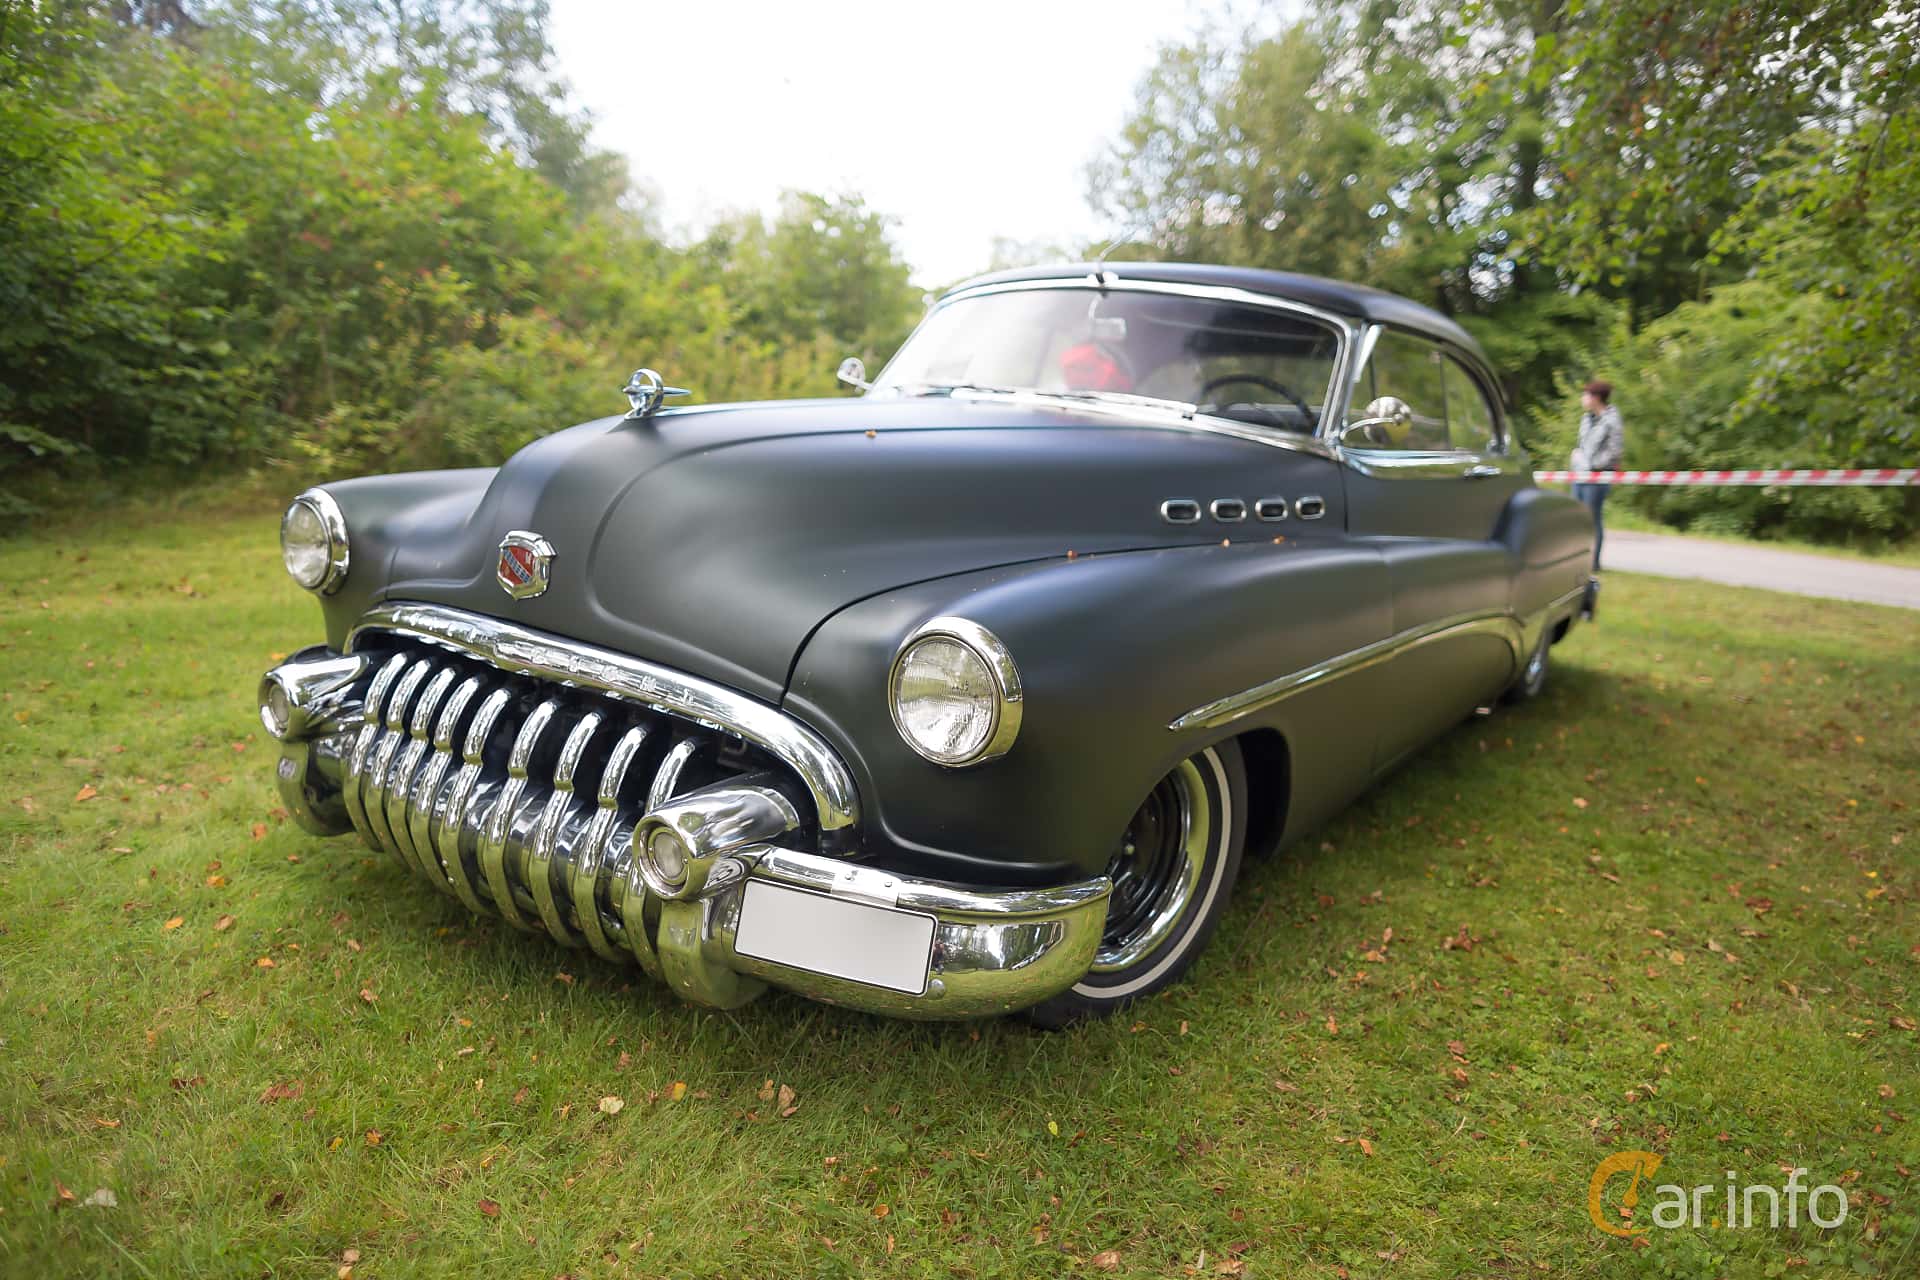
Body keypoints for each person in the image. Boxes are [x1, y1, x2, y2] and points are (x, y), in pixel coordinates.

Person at [1570, 379, 1623, 570]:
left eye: (1586, 394)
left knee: (1592, 518)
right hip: (1580, 474)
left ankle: (1593, 563)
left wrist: (1595, 465)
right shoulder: (1586, 419)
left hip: (1598, 476)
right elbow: (1582, 445)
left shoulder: (1612, 420)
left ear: (1596, 398)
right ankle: (1577, 559)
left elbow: (1615, 451)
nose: (1582, 398)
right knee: (1577, 517)